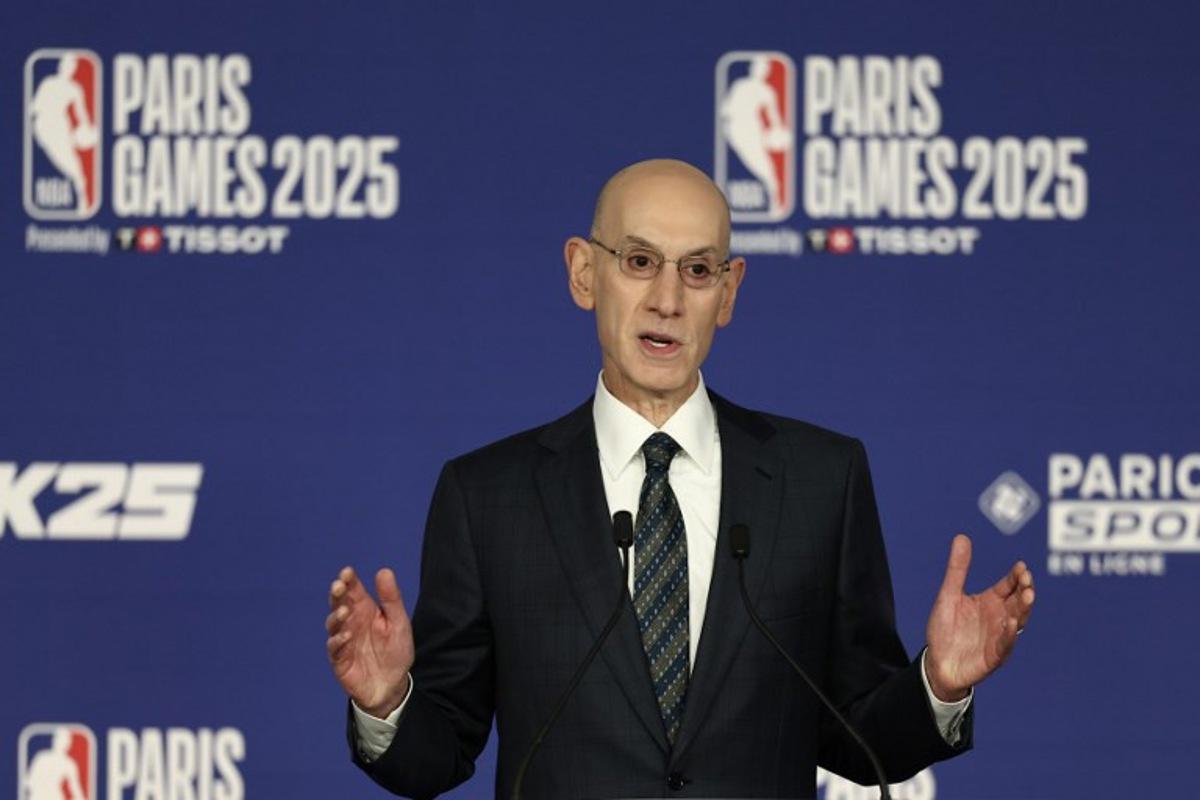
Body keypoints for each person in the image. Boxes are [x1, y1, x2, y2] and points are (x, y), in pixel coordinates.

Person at [325, 159, 1035, 799]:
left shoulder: (821, 479)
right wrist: (387, 704)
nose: (668, 299)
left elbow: (858, 739)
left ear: (728, 293)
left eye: (697, 271)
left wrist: (937, 685)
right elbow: (440, 751)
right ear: (583, 272)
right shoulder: (488, 497)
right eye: (639, 261)